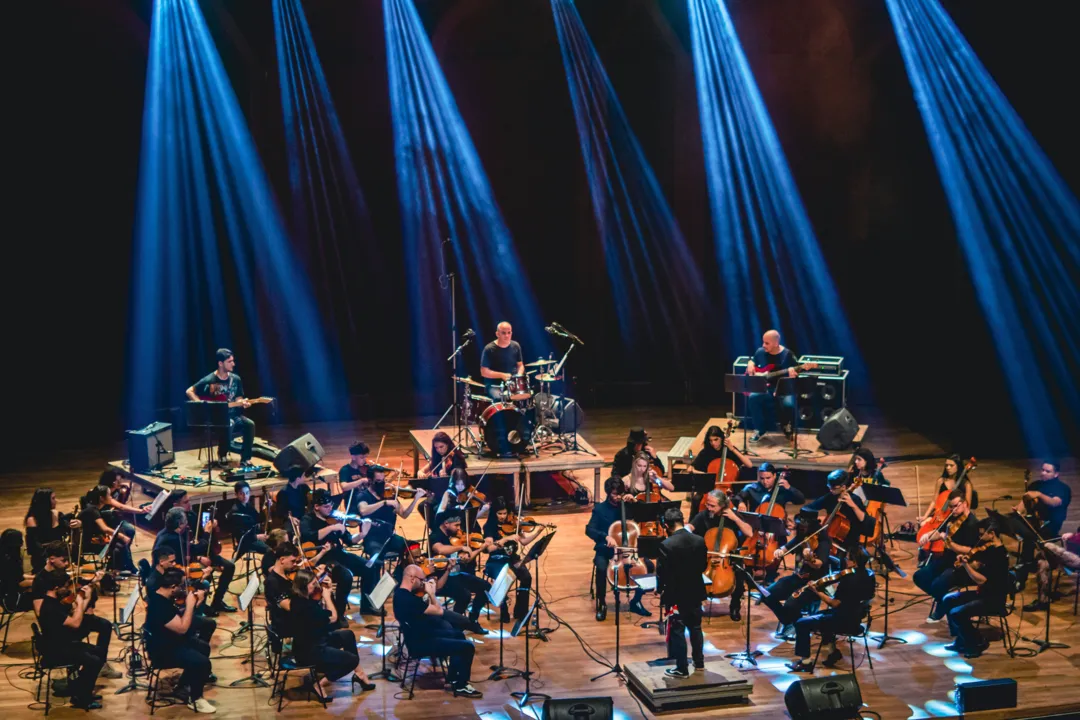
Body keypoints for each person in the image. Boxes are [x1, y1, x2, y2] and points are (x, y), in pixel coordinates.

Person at [31, 541, 124, 680]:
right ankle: (85, 671)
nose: (67, 564)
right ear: (51, 559)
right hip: (60, 626)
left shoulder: (62, 574)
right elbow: (40, 611)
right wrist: (69, 612)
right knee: (84, 645)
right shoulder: (40, 580)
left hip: (69, 615)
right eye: (63, 560)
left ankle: (100, 665)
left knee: (104, 625)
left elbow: (71, 596)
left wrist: (91, 584)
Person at [778, 545, 876, 672]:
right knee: (820, 615)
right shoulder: (869, 575)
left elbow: (834, 603)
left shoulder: (849, 580)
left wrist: (817, 591)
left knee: (801, 623)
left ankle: (805, 662)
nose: (845, 561)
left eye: (847, 558)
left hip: (843, 621)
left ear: (854, 562)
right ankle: (833, 652)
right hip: (856, 618)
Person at [393, 564, 483, 698]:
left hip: (419, 636)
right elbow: (439, 611)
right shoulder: (409, 600)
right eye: (422, 580)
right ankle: (461, 685)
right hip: (421, 643)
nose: (423, 583)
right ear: (412, 578)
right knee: (468, 647)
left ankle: (453, 677)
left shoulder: (400, 594)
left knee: (458, 634)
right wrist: (432, 593)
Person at [288, 568, 376, 697]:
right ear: (304, 586)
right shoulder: (306, 607)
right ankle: (320, 684)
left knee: (348, 635)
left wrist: (325, 594)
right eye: (313, 584)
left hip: (314, 641)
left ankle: (360, 674)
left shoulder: (299, 599)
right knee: (351, 660)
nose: (317, 586)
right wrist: (327, 597)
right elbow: (334, 619)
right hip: (310, 651)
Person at [144, 567, 216, 713]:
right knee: (203, 663)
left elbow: (178, 619)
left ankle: (182, 685)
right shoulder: (160, 606)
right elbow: (182, 628)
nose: (184, 589)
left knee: (203, 647)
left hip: (170, 641)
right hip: (163, 651)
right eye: (181, 586)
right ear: (172, 587)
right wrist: (190, 605)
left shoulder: (161, 597)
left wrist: (195, 604)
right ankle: (195, 699)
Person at [938, 517, 1010, 658]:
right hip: (983, 593)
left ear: (992, 534)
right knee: (948, 599)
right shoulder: (989, 549)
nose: (979, 537)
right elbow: (978, 565)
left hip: (993, 599)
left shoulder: (999, 555)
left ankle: (975, 643)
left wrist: (966, 566)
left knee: (957, 613)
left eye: (982, 533)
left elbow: (981, 580)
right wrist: (967, 562)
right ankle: (961, 639)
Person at [35, 569, 106, 710]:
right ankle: (82, 698)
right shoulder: (51, 607)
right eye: (65, 586)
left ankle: (81, 689)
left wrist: (84, 600)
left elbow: (73, 616)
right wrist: (80, 603)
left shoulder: (54, 602)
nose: (68, 589)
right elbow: (75, 623)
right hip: (56, 651)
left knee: (98, 653)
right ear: (56, 588)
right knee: (94, 660)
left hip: (62, 644)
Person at [153, 502, 236, 615]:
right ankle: (198, 610)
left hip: (182, 563)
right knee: (204, 579)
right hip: (171, 574)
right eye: (185, 522)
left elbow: (188, 550)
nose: (187, 524)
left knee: (227, 566)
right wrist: (207, 531)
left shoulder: (165, 532)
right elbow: (197, 548)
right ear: (180, 524)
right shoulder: (172, 538)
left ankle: (215, 602)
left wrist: (197, 556)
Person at [300, 488, 373, 617]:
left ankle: (367, 606)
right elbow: (308, 535)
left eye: (331, 506)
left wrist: (362, 534)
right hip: (323, 559)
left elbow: (350, 540)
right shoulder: (308, 519)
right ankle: (339, 613)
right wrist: (331, 528)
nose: (330, 509)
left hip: (339, 555)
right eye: (326, 507)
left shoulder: (336, 518)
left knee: (369, 566)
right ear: (316, 507)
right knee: (345, 577)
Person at [685, 489, 754, 621]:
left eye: (712, 506)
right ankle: (697, 604)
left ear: (722, 505)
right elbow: (690, 527)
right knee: (693, 570)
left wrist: (735, 518)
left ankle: (735, 606)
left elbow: (750, 533)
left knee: (739, 574)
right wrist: (685, 530)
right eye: (707, 505)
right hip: (708, 554)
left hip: (729, 556)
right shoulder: (703, 515)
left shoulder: (732, 515)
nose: (709, 508)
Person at [913, 490, 979, 623]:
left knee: (938, 584)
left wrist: (948, 542)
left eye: (956, 506)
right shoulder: (953, 517)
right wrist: (930, 535)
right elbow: (941, 532)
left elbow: (969, 550)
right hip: (946, 559)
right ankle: (943, 601)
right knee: (919, 576)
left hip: (961, 565)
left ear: (965, 504)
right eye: (951, 506)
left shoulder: (972, 524)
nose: (953, 510)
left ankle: (942, 605)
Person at [767, 508, 833, 639]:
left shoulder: (823, 540)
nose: (801, 526)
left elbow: (818, 564)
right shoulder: (801, 537)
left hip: (813, 583)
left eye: (804, 524)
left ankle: (794, 623)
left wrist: (809, 559)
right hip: (797, 577)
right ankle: (790, 622)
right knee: (767, 594)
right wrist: (779, 551)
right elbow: (785, 548)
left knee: (790, 604)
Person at [657, 508, 708, 678]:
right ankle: (699, 663)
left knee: (678, 630)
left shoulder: (666, 545)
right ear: (682, 520)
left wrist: (660, 589)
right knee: (695, 627)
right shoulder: (699, 540)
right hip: (695, 591)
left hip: (676, 594)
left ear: (666, 525)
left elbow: (663, 573)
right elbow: (702, 567)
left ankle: (682, 668)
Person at [185, 347, 256, 465]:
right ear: (220, 363)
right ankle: (222, 454)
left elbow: (238, 398)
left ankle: (245, 458)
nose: (233, 364)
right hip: (217, 418)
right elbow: (189, 391)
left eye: (233, 361)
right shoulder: (210, 379)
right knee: (229, 423)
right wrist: (201, 405)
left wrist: (244, 403)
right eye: (229, 361)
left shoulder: (236, 379)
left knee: (249, 424)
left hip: (234, 414)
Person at [1013, 460, 1072, 599]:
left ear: (1056, 473)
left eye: (1048, 471)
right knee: (1027, 540)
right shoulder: (1035, 485)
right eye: (1042, 470)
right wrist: (1018, 509)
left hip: (1051, 524)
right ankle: (1020, 579)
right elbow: (1025, 500)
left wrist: (1038, 495)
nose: (1043, 473)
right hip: (1034, 523)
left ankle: (1040, 567)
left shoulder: (1062, 488)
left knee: (1031, 540)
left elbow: (1054, 502)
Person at [482, 497, 543, 622]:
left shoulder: (513, 523)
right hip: (496, 560)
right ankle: (503, 609)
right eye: (500, 513)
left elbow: (524, 541)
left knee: (526, 578)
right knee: (504, 578)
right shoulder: (489, 526)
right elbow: (488, 549)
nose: (503, 516)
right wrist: (505, 539)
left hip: (512, 559)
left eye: (505, 513)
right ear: (494, 513)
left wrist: (537, 533)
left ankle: (521, 611)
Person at [428, 510, 492, 627]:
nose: (459, 528)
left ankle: (473, 619)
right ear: (446, 524)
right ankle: (454, 625)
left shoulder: (455, 537)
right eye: (456, 525)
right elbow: (440, 549)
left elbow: (466, 559)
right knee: (464, 595)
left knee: (485, 587)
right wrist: (461, 547)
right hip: (441, 579)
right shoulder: (435, 536)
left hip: (456, 575)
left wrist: (479, 549)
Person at [355, 467, 426, 570]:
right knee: (376, 559)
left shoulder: (389, 494)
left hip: (390, 537)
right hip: (373, 539)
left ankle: (400, 577)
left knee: (414, 548)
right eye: (378, 481)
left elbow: (404, 514)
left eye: (383, 480)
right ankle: (375, 584)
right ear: (370, 481)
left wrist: (415, 499)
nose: (382, 483)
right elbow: (363, 510)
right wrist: (384, 503)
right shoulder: (363, 495)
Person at [143, 547, 217, 645]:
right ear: (161, 562)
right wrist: (193, 603)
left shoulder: (166, 574)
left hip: (173, 611)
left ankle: (196, 646)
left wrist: (200, 580)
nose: (174, 564)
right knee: (208, 624)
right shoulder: (154, 583)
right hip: (168, 622)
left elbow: (180, 592)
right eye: (171, 562)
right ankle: (191, 646)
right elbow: (168, 608)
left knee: (209, 623)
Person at [745, 329, 802, 442]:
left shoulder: (787, 355)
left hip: (784, 388)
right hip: (766, 387)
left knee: (788, 403)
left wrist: (793, 373)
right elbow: (753, 360)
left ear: (776, 343)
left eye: (767, 343)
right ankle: (760, 429)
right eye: (763, 342)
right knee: (753, 398)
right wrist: (750, 363)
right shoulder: (760, 352)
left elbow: (797, 372)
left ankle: (787, 427)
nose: (763, 345)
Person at [80, 485, 135, 574]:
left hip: (92, 539)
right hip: (87, 544)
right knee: (119, 546)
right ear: (101, 498)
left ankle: (119, 568)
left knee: (119, 545)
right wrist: (122, 536)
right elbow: (104, 528)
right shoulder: (92, 510)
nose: (111, 497)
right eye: (109, 495)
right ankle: (122, 569)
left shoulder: (94, 508)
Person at [24, 488, 79, 573]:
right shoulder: (32, 520)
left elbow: (69, 531)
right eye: (53, 498)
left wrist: (77, 524)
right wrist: (52, 558)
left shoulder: (57, 514)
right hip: (43, 559)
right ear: (45, 501)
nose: (56, 501)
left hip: (61, 556)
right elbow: (33, 548)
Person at [479, 321, 525, 402]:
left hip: (512, 384)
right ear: (497, 334)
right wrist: (501, 375)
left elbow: (520, 365)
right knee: (500, 398)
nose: (507, 335)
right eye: (503, 333)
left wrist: (518, 376)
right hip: (494, 385)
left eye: (509, 333)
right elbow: (484, 372)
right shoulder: (489, 349)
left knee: (524, 396)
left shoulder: (516, 346)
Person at [223, 481, 269, 557]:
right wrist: (257, 537)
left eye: (247, 493)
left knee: (277, 542)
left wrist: (266, 508)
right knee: (269, 550)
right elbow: (240, 535)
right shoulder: (235, 511)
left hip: (254, 536)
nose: (245, 496)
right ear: (236, 495)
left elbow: (258, 519)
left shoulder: (248, 505)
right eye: (241, 493)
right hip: (246, 541)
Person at [0, 529, 35, 612]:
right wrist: (42, 580)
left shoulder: (7, 557)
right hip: (12, 600)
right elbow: (19, 583)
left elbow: (19, 576)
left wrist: (36, 577)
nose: (22, 543)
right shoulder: (7, 562)